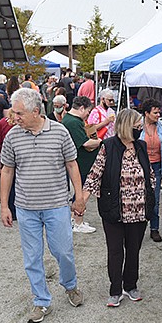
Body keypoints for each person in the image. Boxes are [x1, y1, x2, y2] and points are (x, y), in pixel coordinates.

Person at [0, 88, 85, 323]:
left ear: (36, 111)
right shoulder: (12, 136)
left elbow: (72, 165)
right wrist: (4, 206)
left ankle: (70, 285)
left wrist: (79, 196)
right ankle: (41, 300)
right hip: (26, 208)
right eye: (13, 112)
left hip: (56, 205)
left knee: (63, 252)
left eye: (19, 113)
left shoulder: (59, 132)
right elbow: (7, 171)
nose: (14, 117)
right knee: (32, 257)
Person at [77, 108, 155, 308]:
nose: (140, 128)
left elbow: (150, 176)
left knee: (133, 250)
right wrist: (82, 200)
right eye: (137, 125)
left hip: (139, 211)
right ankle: (115, 289)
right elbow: (95, 175)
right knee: (115, 251)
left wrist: (150, 197)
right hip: (114, 210)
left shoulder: (141, 146)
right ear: (127, 126)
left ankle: (131, 285)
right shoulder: (108, 146)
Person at [62, 96, 102, 234]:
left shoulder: (69, 119)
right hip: (81, 164)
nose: (88, 115)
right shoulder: (73, 122)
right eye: (88, 111)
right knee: (83, 192)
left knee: (81, 191)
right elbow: (85, 143)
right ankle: (78, 221)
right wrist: (100, 142)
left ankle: (75, 219)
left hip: (80, 163)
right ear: (82, 108)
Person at [138, 98, 162, 242]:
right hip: (140, 166)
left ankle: (154, 229)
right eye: (155, 113)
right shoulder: (138, 125)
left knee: (155, 199)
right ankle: (138, 229)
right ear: (146, 113)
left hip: (157, 166)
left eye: (159, 112)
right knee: (139, 198)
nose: (158, 115)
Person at [0, 112, 17, 220]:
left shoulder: (2, 122)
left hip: (7, 156)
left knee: (9, 183)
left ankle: (11, 209)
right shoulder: (25, 123)